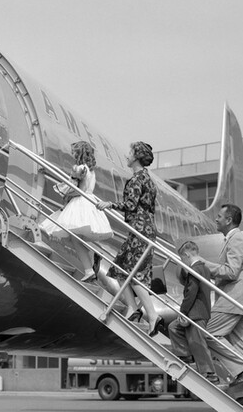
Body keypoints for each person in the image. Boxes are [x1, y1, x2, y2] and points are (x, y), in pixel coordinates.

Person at [96, 141, 164, 336]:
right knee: (119, 268)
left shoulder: (136, 179)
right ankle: (133, 309)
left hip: (139, 230)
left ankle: (153, 316)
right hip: (145, 229)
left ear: (136, 157)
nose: (127, 155)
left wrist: (110, 205)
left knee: (133, 274)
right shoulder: (148, 179)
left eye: (130, 153)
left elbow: (131, 205)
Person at [200, 203, 243, 407]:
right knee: (240, 346)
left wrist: (203, 265)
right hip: (237, 301)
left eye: (219, 216)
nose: (215, 219)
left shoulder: (237, 240)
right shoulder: (233, 240)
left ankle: (241, 370)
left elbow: (231, 272)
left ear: (229, 220)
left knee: (206, 333)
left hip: (231, 300)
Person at [40, 141, 113, 281]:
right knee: (74, 236)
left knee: (70, 234)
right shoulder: (92, 171)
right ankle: (91, 259)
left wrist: (66, 193)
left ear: (79, 153)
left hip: (80, 202)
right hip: (89, 202)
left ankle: (89, 268)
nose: (72, 153)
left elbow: (78, 189)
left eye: (74, 151)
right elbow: (87, 189)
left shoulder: (79, 168)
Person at [166, 240, 218, 380]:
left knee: (198, 342)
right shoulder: (205, 269)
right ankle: (185, 354)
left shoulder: (195, 270)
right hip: (199, 311)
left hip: (196, 312)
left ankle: (210, 373)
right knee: (174, 327)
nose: (182, 262)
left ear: (187, 255)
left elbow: (191, 292)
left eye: (182, 258)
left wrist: (182, 311)